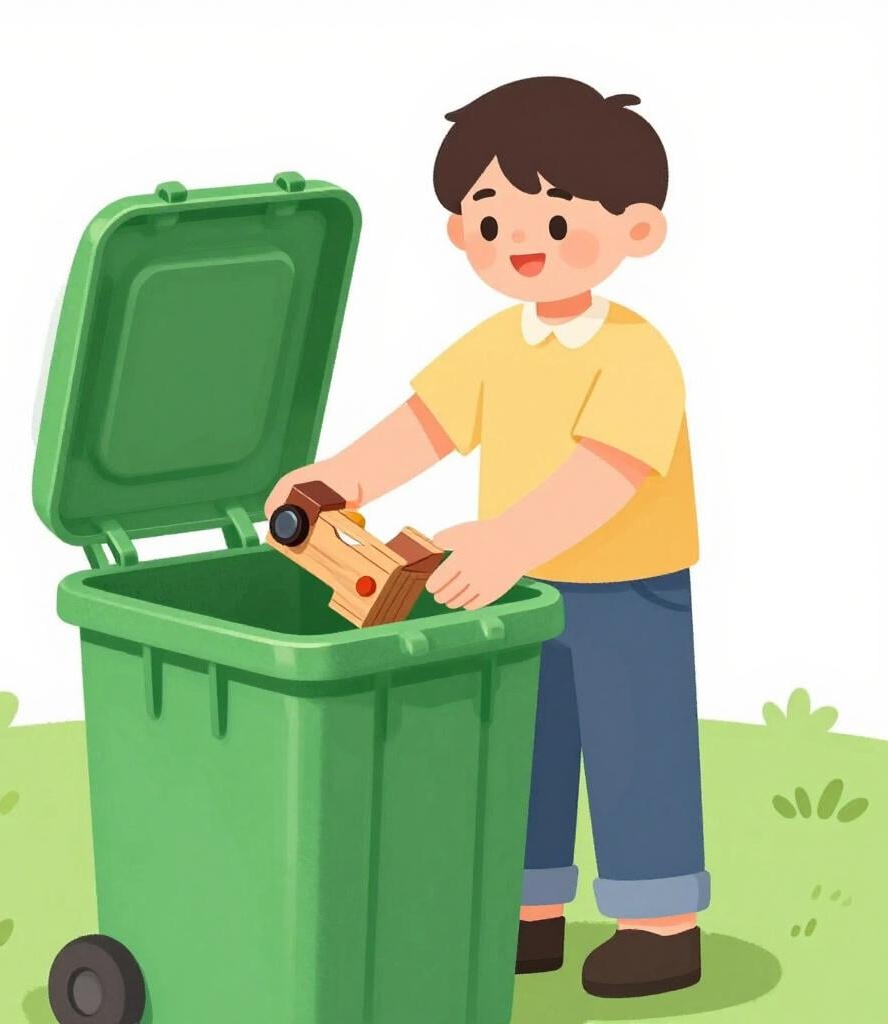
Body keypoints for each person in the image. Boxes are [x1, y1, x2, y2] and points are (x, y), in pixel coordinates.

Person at [265, 76, 707, 998]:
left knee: (635, 748)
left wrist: (506, 540)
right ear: (462, 233)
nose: (521, 244)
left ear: (637, 230)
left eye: (556, 221)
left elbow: (608, 473)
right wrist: (335, 481)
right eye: (492, 220)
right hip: (514, 589)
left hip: (626, 589)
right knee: (518, 749)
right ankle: (525, 911)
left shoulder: (638, 354)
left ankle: (660, 921)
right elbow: (423, 427)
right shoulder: (496, 345)